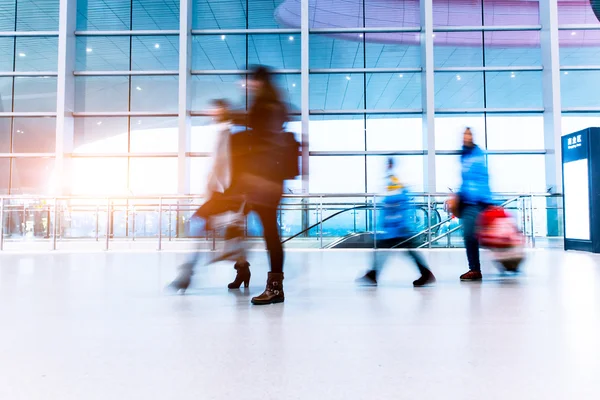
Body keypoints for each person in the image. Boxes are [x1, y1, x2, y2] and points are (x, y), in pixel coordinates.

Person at [169, 65, 289, 305]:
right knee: (266, 234)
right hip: (266, 183)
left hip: (257, 183)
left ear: (260, 82)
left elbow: (259, 140)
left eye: (251, 81)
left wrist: (230, 117)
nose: (247, 85)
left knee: (212, 221)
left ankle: (192, 272)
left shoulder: (265, 108)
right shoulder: (272, 106)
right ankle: (255, 276)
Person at [358, 158, 436, 287]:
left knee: (392, 248)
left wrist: (397, 222)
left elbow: (397, 201)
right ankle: (425, 274)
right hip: (395, 226)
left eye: (388, 164)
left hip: (398, 226)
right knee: (402, 249)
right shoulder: (391, 180)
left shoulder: (394, 181)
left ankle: (374, 274)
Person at [457, 127, 492, 281]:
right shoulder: (465, 156)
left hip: (476, 201)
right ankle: (475, 268)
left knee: (470, 235)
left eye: (469, 134)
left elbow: (481, 179)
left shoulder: (476, 156)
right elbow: (466, 181)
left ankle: (475, 269)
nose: (466, 137)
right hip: (469, 201)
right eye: (465, 135)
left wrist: (487, 201)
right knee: (470, 235)